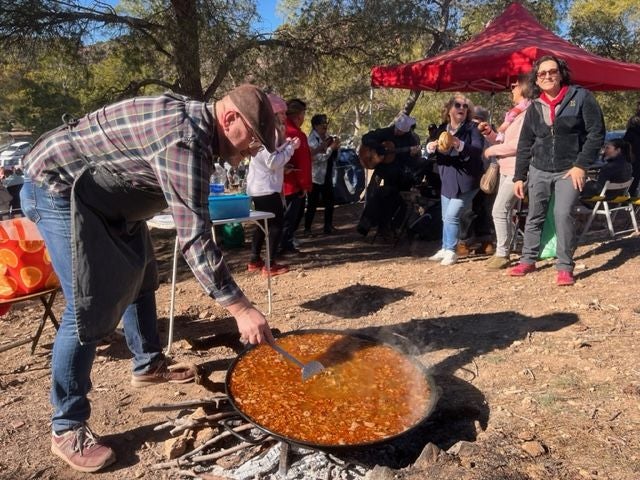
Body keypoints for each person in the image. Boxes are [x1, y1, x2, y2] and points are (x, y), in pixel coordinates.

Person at [20, 84, 278, 473]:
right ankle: (67, 427)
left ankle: (147, 363)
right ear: (230, 119)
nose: (252, 152)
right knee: (87, 306)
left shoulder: (201, 131)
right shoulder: (184, 140)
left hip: (111, 201)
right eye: (254, 141)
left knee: (141, 273)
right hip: (58, 188)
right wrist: (240, 307)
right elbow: (194, 235)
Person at [509, 55, 605, 285]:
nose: (547, 76)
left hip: (569, 169)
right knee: (534, 215)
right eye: (542, 74)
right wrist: (519, 176)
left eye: (552, 71)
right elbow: (525, 143)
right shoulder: (534, 106)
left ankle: (564, 267)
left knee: (563, 214)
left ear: (561, 73)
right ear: (537, 79)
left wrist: (581, 165)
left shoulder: (581, 97)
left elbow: (596, 133)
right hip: (538, 169)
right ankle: (528, 260)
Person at [479, 74, 532, 269]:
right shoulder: (514, 115)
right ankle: (505, 249)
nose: (511, 89)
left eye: (514, 86)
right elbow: (504, 141)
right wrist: (490, 134)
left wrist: (491, 150)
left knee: (499, 210)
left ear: (524, 88)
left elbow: (518, 145)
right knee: (505, 211)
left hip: (518, 170)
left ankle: (502, 253)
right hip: (507, 168)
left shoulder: (527, 114)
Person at [425, 94, 484, 265]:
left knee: (452, 216)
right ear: (449, 109)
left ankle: (451, 250)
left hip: (467, 180)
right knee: (445, 217)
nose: (462, 109)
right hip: (447, 178)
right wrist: (430, 146)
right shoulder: (442, 128)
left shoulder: (472, 128)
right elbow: (432, 146)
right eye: (457, 105)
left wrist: (459, 144)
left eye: (465, 106)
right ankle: (445, 247)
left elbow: (477, 150)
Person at [246, 93, 300, 276]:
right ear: (274, 114)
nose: (285, 117)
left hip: (260, 186)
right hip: (265, 188)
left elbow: (273, 155)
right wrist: (291, 149)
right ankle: (269, 264)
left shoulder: (265, 132)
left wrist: (286, 146)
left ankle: (254, 259)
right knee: (276, 224)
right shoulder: (267, 132)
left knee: (263, 223)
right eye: (282, 113)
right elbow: (272, 161)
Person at [357, 112, 423, 239]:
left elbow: (410, 161)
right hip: (381, 170)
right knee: (373, 196)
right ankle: (365, 225)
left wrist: (412, 155)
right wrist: (377, 147)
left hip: (396, 175)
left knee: (391, 199)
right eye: (396, 129)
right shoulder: (386, 132)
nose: (397, 132)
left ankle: (386, 227)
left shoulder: (410, 140)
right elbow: (366, 138)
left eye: (400, 131)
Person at [457, 105, 496, 257]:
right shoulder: (467, 132)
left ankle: (469, 242)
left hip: (483, 175)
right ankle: (475, 242)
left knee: (475, 209)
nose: (475, 122)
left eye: (477, 119)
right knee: (471, 209)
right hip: (470, 175)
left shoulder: (488, 133)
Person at [280, 98, 312, 254]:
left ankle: (282, 243)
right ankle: (285, 244)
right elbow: (303, 163)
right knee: (290, 217)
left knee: (282, 216)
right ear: (299, 115)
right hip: (293, 184)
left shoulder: (279, 131)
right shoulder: (297, 135)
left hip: (279, 184)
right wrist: (305, 185)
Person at [304, 114, 340, 235]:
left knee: (330, 201)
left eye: (326, 123)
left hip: (327, 175)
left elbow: (333, 155)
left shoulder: (328, 137)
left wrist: (336, 147)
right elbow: (317, 158)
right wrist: (331, 149)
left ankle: (328, 226)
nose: (325, 126)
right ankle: (307, 229)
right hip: (315, 176)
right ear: (315, 126)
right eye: (322, 124)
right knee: (312, 204)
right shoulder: (311, 140)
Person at [622, 99, 640, 195]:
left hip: (635, 158)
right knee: (634, 179)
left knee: (634, 179)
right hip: (635, 157)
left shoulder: (631, 132)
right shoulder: (632, 132)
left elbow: (625, 143)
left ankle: (630, 198)